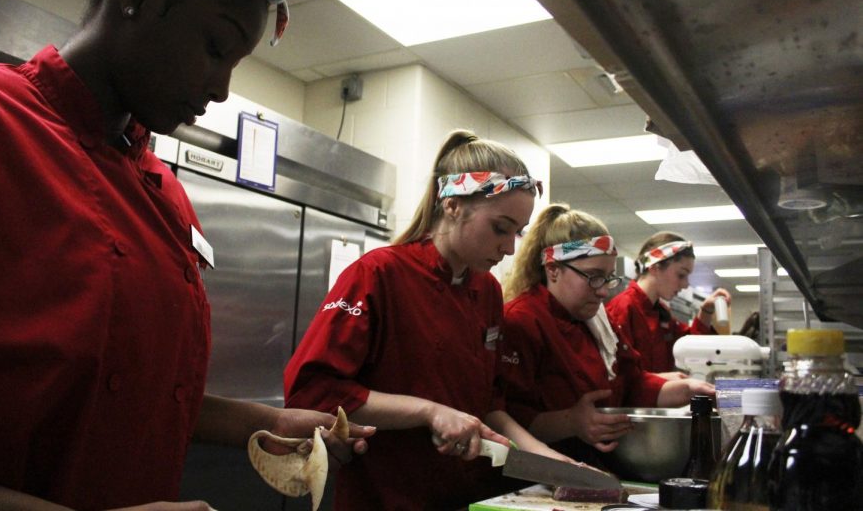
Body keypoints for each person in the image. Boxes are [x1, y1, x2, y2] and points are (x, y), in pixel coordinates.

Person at [0, 0, 374, 510]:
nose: (222, 90)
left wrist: (261, 422)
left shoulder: (165, 194)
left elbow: (128, 390)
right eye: (215, 47)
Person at [284, 130, 583, 510]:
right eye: (500, 228)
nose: (509, 248)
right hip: (386, 495)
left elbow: (489, 404)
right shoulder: (378, 275)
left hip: (467, 493)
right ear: (454, 205)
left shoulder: (488, 291)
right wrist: (429, 412)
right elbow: (313, 392)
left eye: (518, 233)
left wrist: (545, 460)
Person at [501, 205, 715, 466]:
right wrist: (571, 422)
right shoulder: (522, 320)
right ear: (553, 269)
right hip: (543, 471)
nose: (603, 291)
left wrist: (685, 390)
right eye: (593, 277)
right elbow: (505, 417)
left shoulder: (597, 321)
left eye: (607, 278)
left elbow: (630, 382)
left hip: (594, 462)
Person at [606, 231, 733, 375]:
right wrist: (663, 383)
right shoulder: (623, 309)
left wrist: (706, 310)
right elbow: (620, 377)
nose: (686, 284)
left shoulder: (660, 312)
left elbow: (690, 346)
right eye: (681, 275)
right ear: (655, 267)